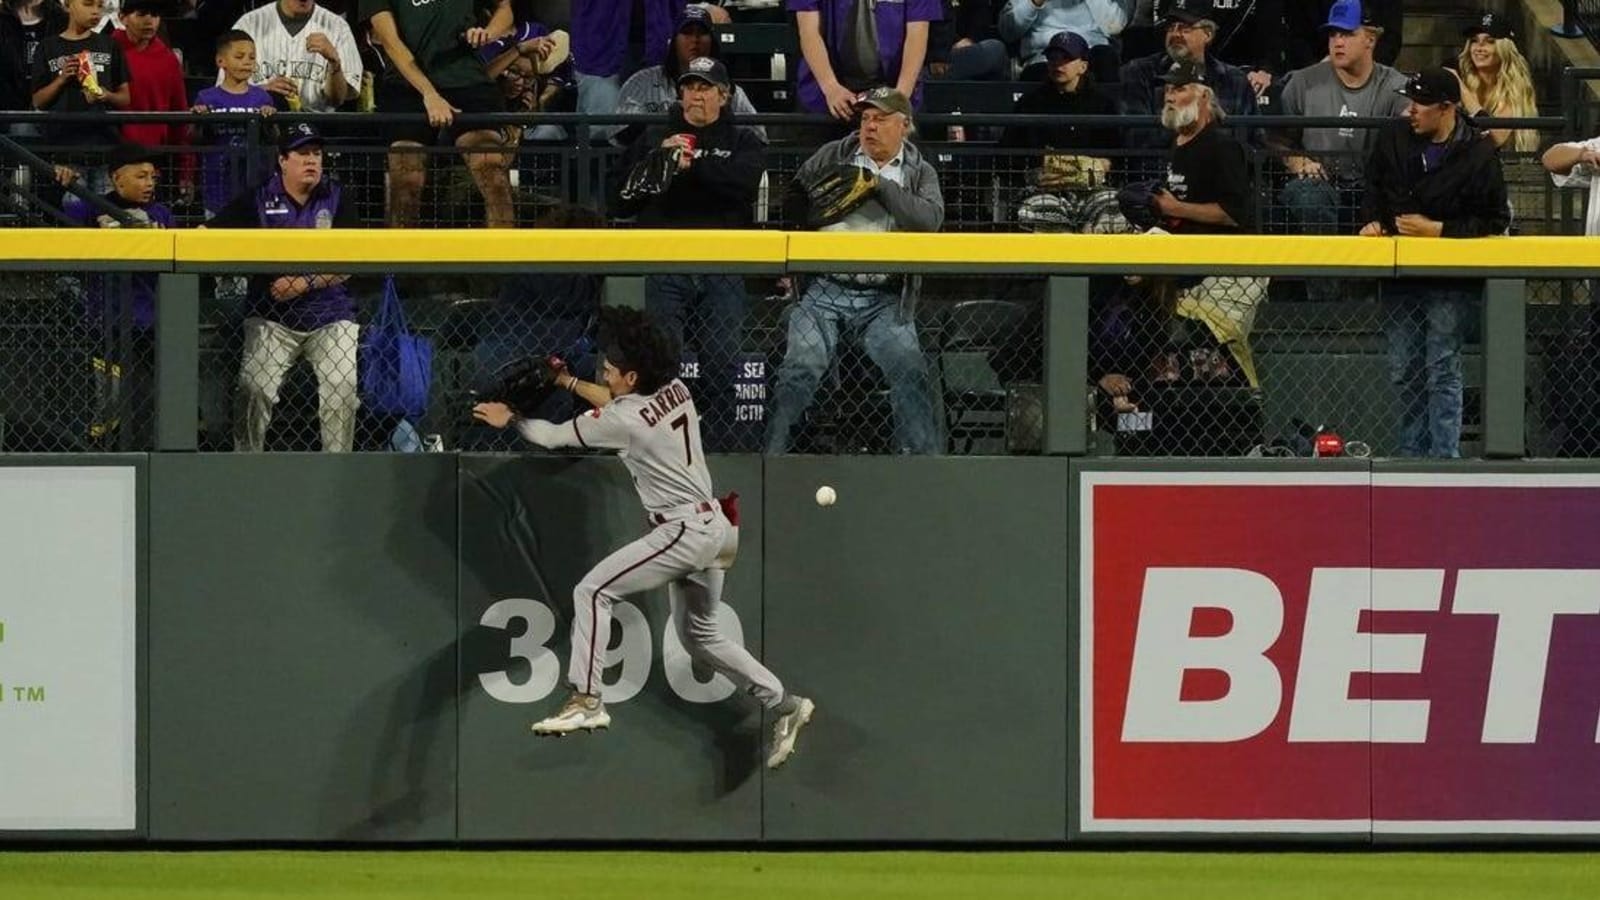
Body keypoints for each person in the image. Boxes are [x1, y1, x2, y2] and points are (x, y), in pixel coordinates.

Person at [471, 306, 816, 770]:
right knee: (701, 637)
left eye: (612, 372)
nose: (606, 376)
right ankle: (786, 704)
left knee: (592, 590)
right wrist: (567, 382)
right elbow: (616, 402)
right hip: (717, 526)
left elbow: (553, 437)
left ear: (632, 375)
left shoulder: (626, 420)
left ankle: (586, 699)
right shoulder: (674, 387)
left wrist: (509, 418)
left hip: (683, 530)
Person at [767, 88, 943, 455]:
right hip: (824, 292)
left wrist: (878, 187)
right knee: (800, 367)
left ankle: (923, 467)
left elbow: (929, 220)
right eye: (865, 118)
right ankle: (775, 457)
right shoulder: (834, 154)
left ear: (904, 126)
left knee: (909, 369)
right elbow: (793, 201)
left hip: (885, 298)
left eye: (880, 119)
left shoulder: (919, 171)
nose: (870, 126)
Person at [613, 57, 764, 452]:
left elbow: (743, 188)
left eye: (706, 87)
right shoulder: (654, 136)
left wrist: (692, 167)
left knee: (721, 364)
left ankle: (720, 448)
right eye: (690, 87)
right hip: (667, 263)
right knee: (662, 365)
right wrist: (658, 162)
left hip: (722, 264)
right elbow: (620, 200)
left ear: (724, 95)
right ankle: (661, 448)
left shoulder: (742, 138)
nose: (696, 95)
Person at [1359, 68, 1508, 458]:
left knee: (1441, 365)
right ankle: (1412, 455)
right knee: (1404, 368)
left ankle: (1445, 459)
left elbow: (1495, 219)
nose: (1411, 110)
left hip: (1449, 275)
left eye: (1420, 104)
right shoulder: (1394, 137)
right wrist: (1372, 220)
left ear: (1446, 108)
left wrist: (1439, 230)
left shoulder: (1478, 152)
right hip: (1401, 271)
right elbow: (1372, 184)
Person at [206, 122, 362, 453]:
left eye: (316, 154)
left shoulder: (337, 195)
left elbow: (352, 264)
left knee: (342, 384)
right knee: (254, 388)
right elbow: (209, 232)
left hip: (331, 315)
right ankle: (245, 464)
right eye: (303, 154)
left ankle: (338, 467)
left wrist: (303, 283)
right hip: (271, 318)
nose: (312, 162)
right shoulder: (258, 197)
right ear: (282, 160)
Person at [1271, 0, 1406, 300]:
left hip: (1373, 187)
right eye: (1333, 35)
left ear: (1371, 39)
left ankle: (1373, 300)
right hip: (1319, 182)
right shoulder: (1303, 82)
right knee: (1308, 196)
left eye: (1346, 34)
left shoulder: (1396, 87)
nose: (1337, 42)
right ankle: (1326, 302)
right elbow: (1275, 138)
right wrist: (1297, 161)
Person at [360, 0, 517, 228]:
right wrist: (430, 94)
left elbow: (505, 7)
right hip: (407, 86)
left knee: (492, 174)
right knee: (406, 181)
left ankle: (502, 261)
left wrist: (488, 33)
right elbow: (390, 42)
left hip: (466, 81)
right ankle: (401, 261)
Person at [64, 142, 171, 450]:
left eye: (152, 176)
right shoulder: (91, 206)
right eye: (141, 176)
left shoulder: (161, 213)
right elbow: (67, 211)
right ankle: (101, 450)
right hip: (106, 323)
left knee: (149, 398)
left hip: (151, 324)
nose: (149, 183)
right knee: (109, 399)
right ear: (116, 179)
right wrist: (65, 180)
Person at [610, 7, 763, 148]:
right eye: (688, 32)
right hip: (658, 168)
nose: (695, 40)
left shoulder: (728, 89)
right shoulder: (642, 81)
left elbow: (758, 138)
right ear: (674, 40)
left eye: (702, 33)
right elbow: (622, 134)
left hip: (713, 168)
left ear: (712, 41)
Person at [1119, 0, 1254, 156]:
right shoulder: (1139, 73)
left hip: (1221, 171)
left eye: (1185, 28)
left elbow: (1254, 140)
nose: (1175, 34)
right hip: (1157, 173)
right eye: (1171, 27)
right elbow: (1136, 140)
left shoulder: (1235, 79)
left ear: (1208, 34)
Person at [998, 30, 1118, 192]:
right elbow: (1009, 152)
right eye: (1053, 58)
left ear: (1083, 66)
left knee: (1109, 214)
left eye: (1066, 59)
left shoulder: (1103, 104)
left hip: (1092, 187)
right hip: (1043, 187)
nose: (1058, 64)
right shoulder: (1030, 103)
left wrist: (1102, 165)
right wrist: (1037, 169)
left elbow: (1116, 154)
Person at [31, 0, 130, 193]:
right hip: (65, 150)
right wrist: (61, 79)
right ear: (68, 6)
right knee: (74, 210)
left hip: (105, 147)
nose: (95, 11)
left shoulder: (110, 45)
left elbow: (125, 98)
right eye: (88, 4)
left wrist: (105, 94)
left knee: (106, 215)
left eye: (100, 6)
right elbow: (38, 101)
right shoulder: (47, 47)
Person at [789, 0, 940, 123]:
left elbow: (917, 36)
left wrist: (899, 98)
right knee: (822, 158)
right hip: (826, 96)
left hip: (892, 91)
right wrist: (831, 88)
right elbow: (809, 33)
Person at [192, 30, 276, 219]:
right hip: (217, 182)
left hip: (255, 182)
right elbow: (195, 139)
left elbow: (273, 139)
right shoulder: (207, 97)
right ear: (221, 61)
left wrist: (270, 119)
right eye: (239, 56)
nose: (247, 61)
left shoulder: (262, 97)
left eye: (252, 57)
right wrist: (200, 119)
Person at [230, 0, 363, 113]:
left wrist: (334, 62)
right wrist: (262, 90)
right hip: (258, 124)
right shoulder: (248, 24)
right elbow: (225, 91)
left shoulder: (338, 27)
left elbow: (338, 99)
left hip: (317, 126)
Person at [1456, 12, 1538, 153]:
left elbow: (1495, 140)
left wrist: (1461, 89)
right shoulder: (1466, 82)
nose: (1479, 47)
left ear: (1504, 48)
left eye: (1490, 41)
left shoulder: (1514, 89)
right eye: (1474, 40)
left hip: (1500, 166)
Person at [999, 0, 1130, 85]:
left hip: (1092, 52)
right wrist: (1034, 3)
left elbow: (1116, 26)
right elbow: (1008, 31)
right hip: (1045, 55)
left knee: (1105, 57)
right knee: (1036, 75)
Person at [1286, 0, 1400, 72]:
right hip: (1316, 72)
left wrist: (1361, 69)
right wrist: (1317, 71)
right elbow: (1297, 37)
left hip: (1370, 75)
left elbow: (1390, 39)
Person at [927, 0, 1008, 81]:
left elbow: (980, 11)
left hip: (950, 52)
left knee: (994, 51)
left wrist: (970, 39)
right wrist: (939, 54)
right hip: (930, 61)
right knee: (996, 50)